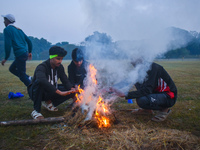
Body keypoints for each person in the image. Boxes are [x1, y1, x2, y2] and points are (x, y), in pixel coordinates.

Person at [28, 46, 78, 119]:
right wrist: (59, 92)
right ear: (51, 57)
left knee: (71, 89)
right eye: (58, 59)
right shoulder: (42, 67)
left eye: (61, 59)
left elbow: (65, 81)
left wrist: (73, 91)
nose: (60, 61)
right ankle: (36, 111)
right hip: (36, 92)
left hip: (50, 91)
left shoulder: (60, 67)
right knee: (39, 83)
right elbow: (41, 80)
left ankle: (49, 103)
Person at [1, 14, 32, 87]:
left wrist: (6, 58)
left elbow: (7, 45)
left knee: (22, 75)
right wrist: (29, 52)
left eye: (5, 20)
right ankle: (29, 78)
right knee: (12, 69)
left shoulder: (7, 30)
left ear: (8, 20)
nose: (3, 22)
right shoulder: (19, 30)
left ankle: (33, 89)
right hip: (24, 53)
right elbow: (29, 41)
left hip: (20, 54)